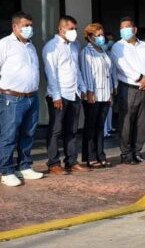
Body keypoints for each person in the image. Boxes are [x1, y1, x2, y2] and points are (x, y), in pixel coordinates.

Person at [0, 12, 43, 186]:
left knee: (28, 134)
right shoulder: (4, 44)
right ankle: (6, 170)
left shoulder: (31, 46)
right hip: (12, 98)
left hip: (32, 97)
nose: (29, 28)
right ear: (15, 27)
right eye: (25, 25)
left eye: (30, 25)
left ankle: (24, 166)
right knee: (9, 135)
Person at [43, 15, 90, 175]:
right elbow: (51, 73)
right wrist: (56, 95)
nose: (74, 31)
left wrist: (82, 87)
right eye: (71, 29)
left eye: (75, 29)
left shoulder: (74, 46)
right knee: (56, 130)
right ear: (61, 29)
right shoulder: (52, 46)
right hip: (59, 95)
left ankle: (71, 161)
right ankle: (53, 163)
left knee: (72, 130)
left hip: (74, 93)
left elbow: (76, 69)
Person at [110, 17, 145, 164]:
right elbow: (122, 66)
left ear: (135, 29)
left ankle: (137, 152)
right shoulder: (118, 47)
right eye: (122, 28)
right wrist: (139, 78)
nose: (124, 30)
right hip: (129, 88)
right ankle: (126, 154)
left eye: (127, 27)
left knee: (142, 122)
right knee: (126, 123)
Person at [79, 23, 117, 168]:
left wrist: (110, 94)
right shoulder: (86, 52)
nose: (101, 37)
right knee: (91, 126)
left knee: (101, 127)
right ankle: (90, 156)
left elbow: (108, 73)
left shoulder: (102, 51)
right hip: (93, 95)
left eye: (102, 34)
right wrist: (89, 92)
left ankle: (101, 154)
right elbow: (87, 73)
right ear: (89, 37)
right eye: (98, 35)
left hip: (105, 94)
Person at [103, 32, 117, 139]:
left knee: (110, 106)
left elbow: (113, 71)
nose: (110, 42)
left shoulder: (111, 53)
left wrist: (115, 85)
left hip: (110, 84)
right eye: (109, 40)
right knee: (104, 108)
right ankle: (104, 131)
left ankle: (109, 127)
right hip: (102, 86)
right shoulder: (101, 50)